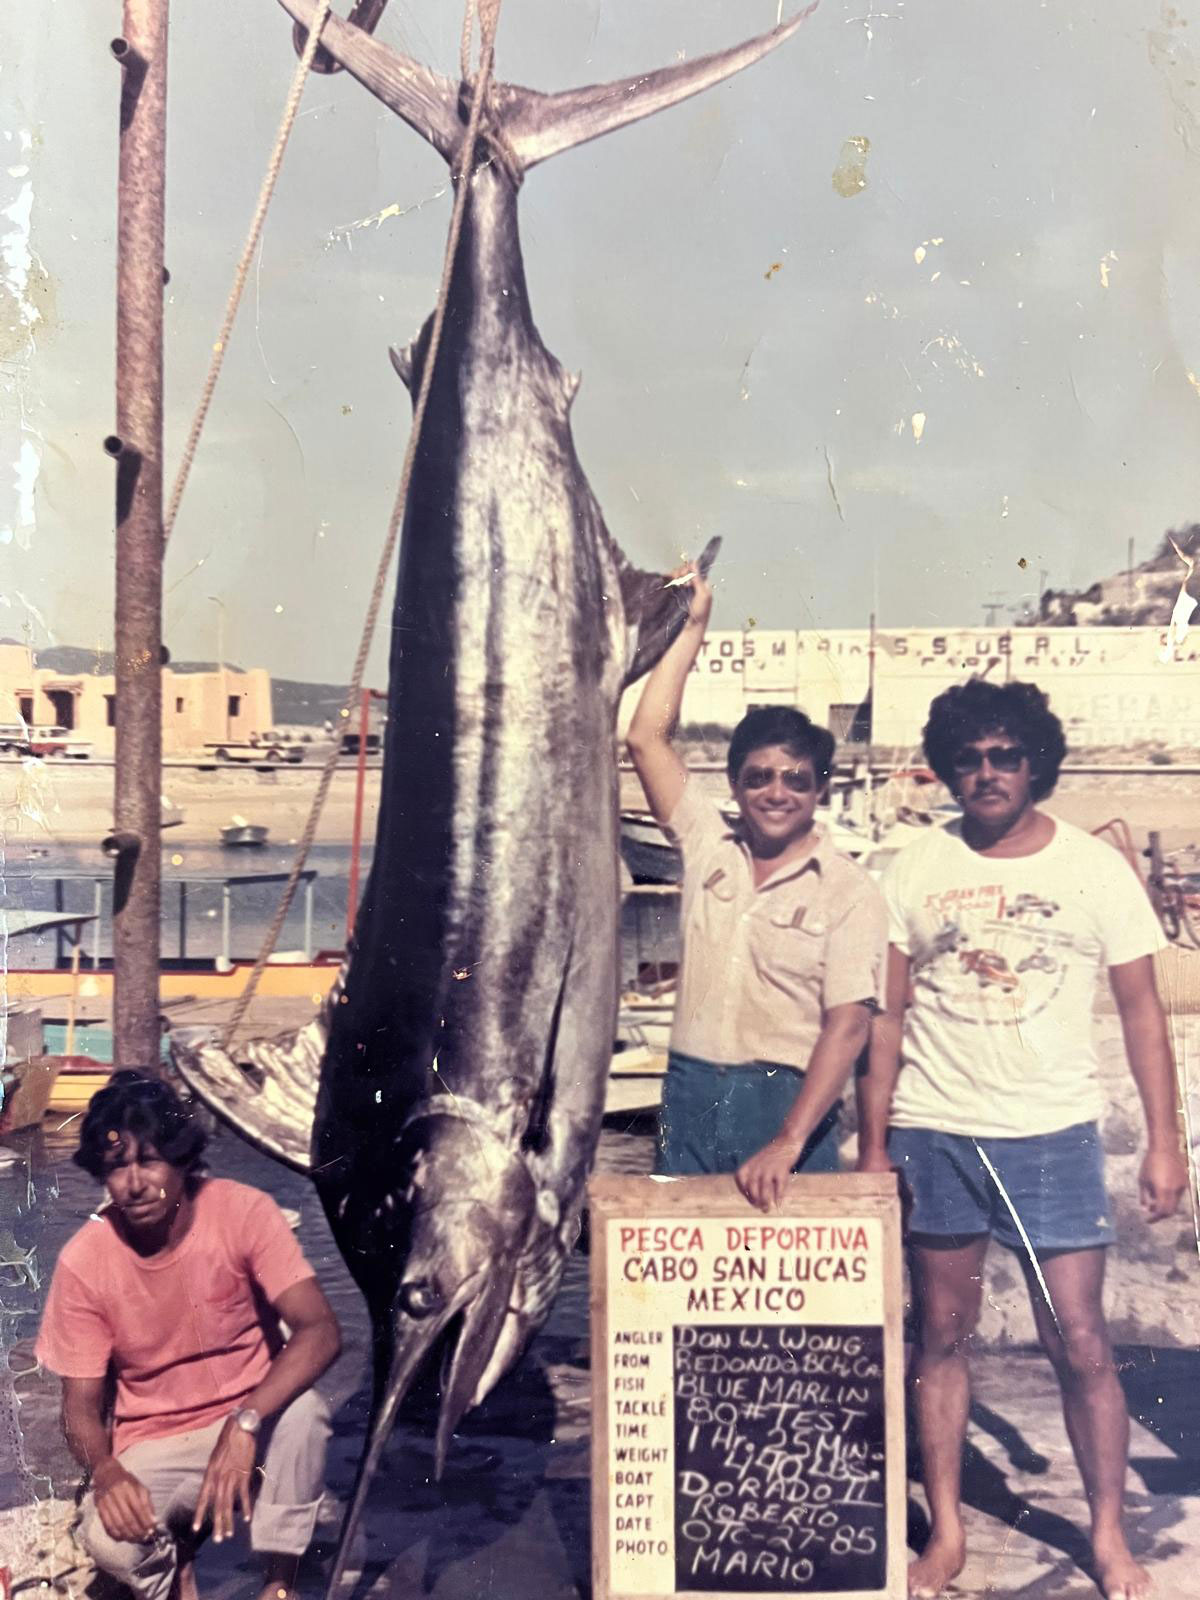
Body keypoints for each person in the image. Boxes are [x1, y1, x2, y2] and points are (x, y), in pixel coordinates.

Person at [856, 679, 1188, 1600]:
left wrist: (1168, 1143)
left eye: (1005, 756)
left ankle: (1111, 1535)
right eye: (969, 758)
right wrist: (875, 1145)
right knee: (943, 1339)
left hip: (1053, 1137)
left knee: (1080, 1343)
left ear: (1036, 760)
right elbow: (885, 1021)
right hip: (937, 1129)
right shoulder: (909, 867)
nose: (987, 774)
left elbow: (1142, 1015)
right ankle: (951, 1533)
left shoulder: (1093, 869)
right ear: (948, 766)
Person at [625, 564, 887, 1209]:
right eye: (759, 776)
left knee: (798, 1305)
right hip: (689, 1093)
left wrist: (789, 1139)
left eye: (796, 779)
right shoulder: (708, 845)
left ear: (820, 789)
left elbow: (849, 1026)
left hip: (787, 1106)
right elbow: (643, 737)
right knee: (684, 1301)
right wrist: (692, 627)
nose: (777, 792)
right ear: (736, 783)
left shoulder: (850, 890)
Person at [35, 1071, 342, 1600]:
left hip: (254, 1416)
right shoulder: (84, 1262)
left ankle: (278, 1582)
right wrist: (106, 1471)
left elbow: (320, 1331)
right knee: (108, 1540)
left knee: (306, 1414)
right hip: (157, 1441)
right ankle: (173, 1573)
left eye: (149, 1160)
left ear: (181, 1159)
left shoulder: (244, 1211)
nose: (134, 1183)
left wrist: (246, 1421)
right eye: (117, 1167)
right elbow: (80, 1410)